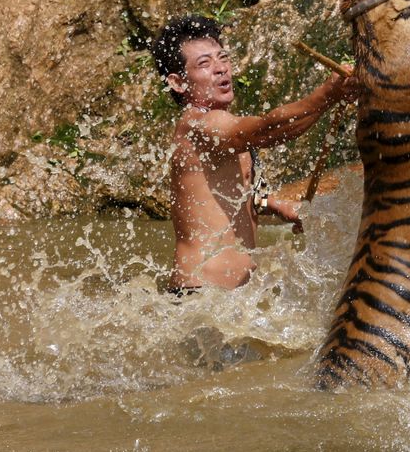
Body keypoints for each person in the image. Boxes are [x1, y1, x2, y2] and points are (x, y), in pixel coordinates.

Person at [151, 15, 358, 293]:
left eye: (222, 57)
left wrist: (273, 205)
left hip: (229, 301)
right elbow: (269, 129)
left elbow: (228, 194)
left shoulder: (220, 124)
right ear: (177, 83)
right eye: (204, 63)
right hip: (199, 296)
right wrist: (327, 95)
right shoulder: (198, 124)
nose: (220, 68)